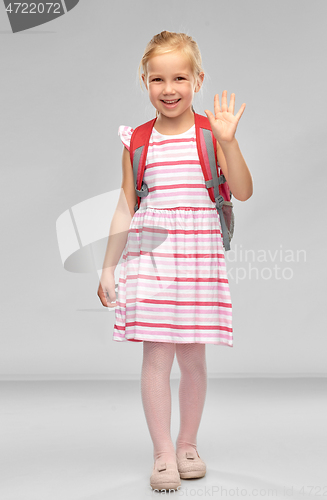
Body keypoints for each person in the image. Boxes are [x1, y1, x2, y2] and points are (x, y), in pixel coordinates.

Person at [97, 30, 253, 491]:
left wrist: (229, 142)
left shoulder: (211, 135)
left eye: (180, 77)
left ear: (198, 79)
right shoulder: (138, 141)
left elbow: (242, 192)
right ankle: (163, 453)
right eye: (158, 79)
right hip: (152, 261)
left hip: (199, 262)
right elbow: (126, 206)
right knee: (156, 357)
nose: (169, 88)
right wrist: (108, 267)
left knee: (194, 358)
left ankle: (188, 444)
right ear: (144, 81)